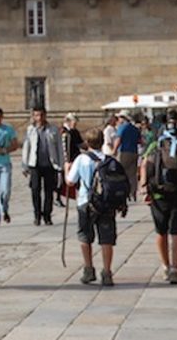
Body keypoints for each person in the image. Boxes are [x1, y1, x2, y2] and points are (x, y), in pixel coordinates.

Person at [140, 109, 177, 284]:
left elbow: (144, 165)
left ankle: (165, 266)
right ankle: (175, 269)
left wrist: (143, 188)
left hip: (158, 194)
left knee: (161, 232)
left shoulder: (155, 145)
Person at [65, 127, 116, 287]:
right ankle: (107, 272)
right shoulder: (109, 159)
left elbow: (71, 181)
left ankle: (89, 269)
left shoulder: (82, 159)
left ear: (87, 143)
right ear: (102, 142)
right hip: (106, 203)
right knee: (106, 239)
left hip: (85, 202)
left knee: (85, 237)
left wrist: (67, 168)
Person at [21, 106, 63, 226]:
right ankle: (37, 215)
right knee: (35, 190)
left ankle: (47, 215)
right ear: (33, 116)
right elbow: (26, 148)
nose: (39, 118)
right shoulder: (30, 130)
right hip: (35, 164)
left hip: (50, 164)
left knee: (49, 191)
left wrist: (60, 165)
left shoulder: (53, 129)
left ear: (45, 115)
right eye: (36, 115)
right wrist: (25, 165)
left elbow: (59, 147)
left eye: (41, 115)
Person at [112, 110, 141, 201]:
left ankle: (123, 192)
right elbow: (140, 141)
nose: (119, 119)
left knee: (121, 173)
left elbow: (118, 139)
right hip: (134, 152)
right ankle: (133, 193)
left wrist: (114, 150)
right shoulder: (135, 128)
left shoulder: (122, 127)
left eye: (120, 117)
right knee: (132, 174)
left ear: (124, 118)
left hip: (124, 152)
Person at [59, 112, 84, 204]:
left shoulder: (71, 132)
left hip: (74, 158)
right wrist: (67, 161)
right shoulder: (66, 132)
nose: (76, 124)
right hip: (70, 160)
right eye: (74, 122)